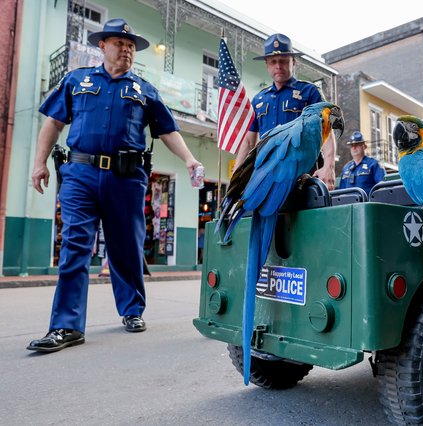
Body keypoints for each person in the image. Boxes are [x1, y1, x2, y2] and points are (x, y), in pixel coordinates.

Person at [27, 18, 202, 353]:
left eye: (131, 46)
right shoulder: (76, 81)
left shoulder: (144, 90)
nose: (127, 50)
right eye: (120, 43)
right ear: (102, 46)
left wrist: (190, 160)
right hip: (80, 173)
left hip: (126, 178)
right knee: (75, 245)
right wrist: (38, 163)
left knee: (126, 247)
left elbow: (167, 130)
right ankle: (66, 325)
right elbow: (52, 122)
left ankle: (132, 310)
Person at [233, 33, 336, 189]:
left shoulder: (309, 92)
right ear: (267, 65)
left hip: (303, 174)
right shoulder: (259, 100)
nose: (278, 66)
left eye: (283, 61)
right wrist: (236, 179)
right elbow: (248, 142)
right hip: (268, 177)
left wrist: (329, 167)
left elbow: (326, 131)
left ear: (293, 62)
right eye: (273, 62)